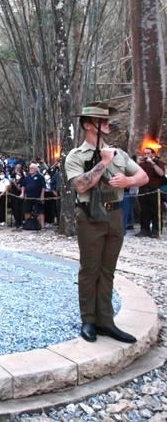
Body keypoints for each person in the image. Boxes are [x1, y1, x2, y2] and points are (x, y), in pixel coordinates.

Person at [64, 102, 150, 343]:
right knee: (90, 271)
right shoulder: (75, 156)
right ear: (89, 126)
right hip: (90, 217)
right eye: (102, 122)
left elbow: (142, 176)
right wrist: (102, 163)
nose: (107, 125)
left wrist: (127, 181)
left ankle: (106, 322)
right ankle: (89, 320)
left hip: (114, 215)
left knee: (108, 270)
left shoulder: (119, 153)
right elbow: (80, 185)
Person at [21, 163, 47, 229]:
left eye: (32, 168)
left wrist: (42, 196)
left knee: (40, 211)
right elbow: (23, 186)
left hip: (37, 197)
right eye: (30, 168)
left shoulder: (40, 177)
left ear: (35, 169)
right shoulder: (27, 177)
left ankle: (42, 226)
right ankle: (28, 225)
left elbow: (43, 187)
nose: (31, 169)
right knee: (27, 211)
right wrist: (22, 193)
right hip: (28, 197)